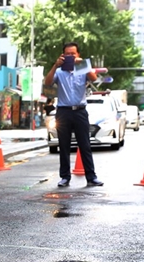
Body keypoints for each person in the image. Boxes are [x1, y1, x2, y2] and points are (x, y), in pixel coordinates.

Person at [43, 42, 105, 188]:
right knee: (63, 146)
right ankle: (65, 177)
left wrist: (82, 64)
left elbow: (94, 78)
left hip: (80, 111)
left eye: (73, 54)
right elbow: (47, 82)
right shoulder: (59, 72)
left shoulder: (82, 69)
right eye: (67, 54)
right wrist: (55, 65)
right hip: (63, 112)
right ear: (63, 55)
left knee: (85, 144)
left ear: (78, 55)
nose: (70, 56)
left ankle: (91, 177)